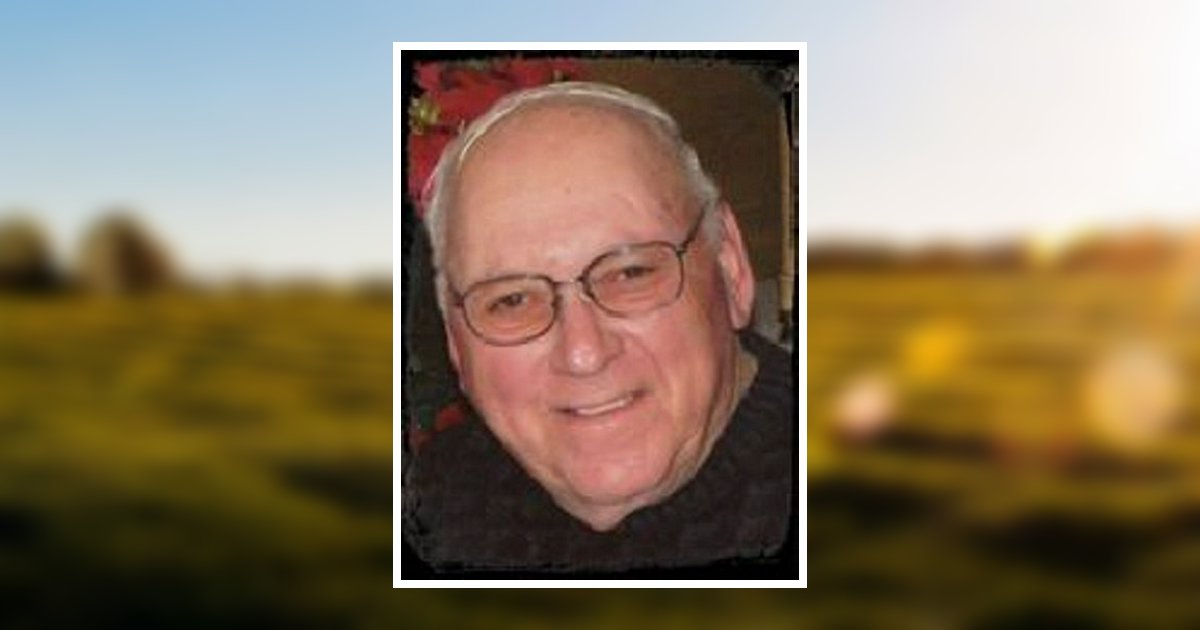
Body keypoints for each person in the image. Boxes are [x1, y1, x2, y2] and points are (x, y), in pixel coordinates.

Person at [404, 81, 796, 576]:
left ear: (730, 267)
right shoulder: (423, 512)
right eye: (512, 300)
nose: (583, 352)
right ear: (456, 346)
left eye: (631, 273)